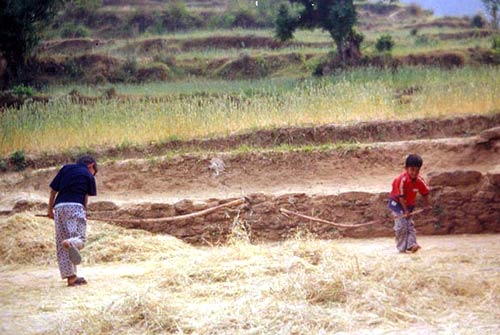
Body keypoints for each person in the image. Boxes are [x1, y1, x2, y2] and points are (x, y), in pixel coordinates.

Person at [47, 155, 97, 286]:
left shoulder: (65, 169)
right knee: (79, 239)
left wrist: (49, 210)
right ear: (91, 165)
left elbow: (53, 191)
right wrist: (84, 212)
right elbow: (85, 197)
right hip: (75, 207)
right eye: (94, 172)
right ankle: (69, 242)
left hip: (59, 207)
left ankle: (71, 278)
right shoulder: (88, 174)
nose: (93, 175)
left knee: (61, 245)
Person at [388, 154, 431, 253]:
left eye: (417, 170)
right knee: (401, 226)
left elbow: (425, 193)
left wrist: (428, 205)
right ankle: (402, 248)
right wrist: (406, 211)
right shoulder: (401, 180)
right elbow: (401, 197)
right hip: (397, 203)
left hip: (409, 204)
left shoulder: (419, 181)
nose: (414, 173)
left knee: (409, 225)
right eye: (412, 170)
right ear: (406, 168)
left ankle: (411, 245)